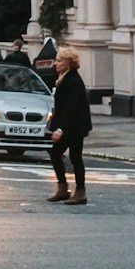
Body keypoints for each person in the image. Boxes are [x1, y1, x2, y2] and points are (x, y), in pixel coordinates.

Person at [47, 49, 91, 205]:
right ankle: (65, 189)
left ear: (68, 63)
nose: (55, 64)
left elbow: (71, 108)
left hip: (74, 126)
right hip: (72, 125)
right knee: (69, 156)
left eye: (59, 61)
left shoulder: (72, 80)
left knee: (68, 156)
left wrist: (60, 129)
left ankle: (77, 192)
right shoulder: (64, 77)